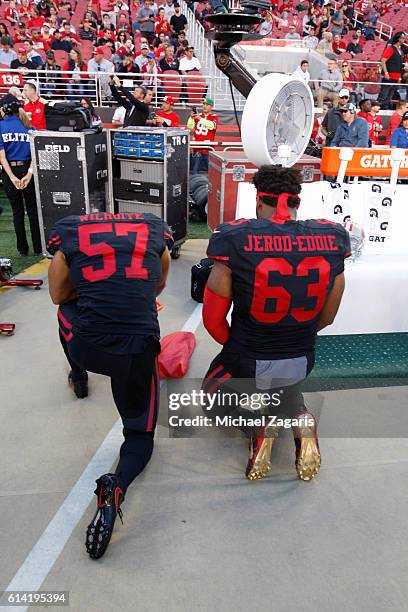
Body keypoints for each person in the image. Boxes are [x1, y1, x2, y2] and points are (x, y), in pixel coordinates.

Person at [201, 165, 350, 481]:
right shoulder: (331, 237)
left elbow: (213, 322)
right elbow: (328, 316)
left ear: (258, 201)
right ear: (297, 202)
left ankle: (258, 422)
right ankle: (299, 416)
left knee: (211, 395)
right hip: (302, 357)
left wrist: (244, 347)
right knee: (284, 381)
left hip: (249, 357)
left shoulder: (235, 238)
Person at [46, 208, 173, 559]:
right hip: (137, 353)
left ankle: (78, 374)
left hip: (89, 347)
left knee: (64, 315)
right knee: (139, 438)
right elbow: (157, 286)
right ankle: (117, 485)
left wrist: (92, 292)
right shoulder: (155, 232)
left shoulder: (70, 231)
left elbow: (57, 294)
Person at [0, 94, 42, 256]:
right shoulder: (29, 127)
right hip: (28, 171)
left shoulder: (1, 127)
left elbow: (2, 157)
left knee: (17, 212)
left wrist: (12, 177)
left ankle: (23, 249)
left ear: (4, 109)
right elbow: (36, 154)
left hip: (10, 172)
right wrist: (29, 174)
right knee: (33, 211)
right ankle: (39, 248)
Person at [188, 97, 218, 174]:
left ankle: (212, 184)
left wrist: (200, 119)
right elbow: (190, 127)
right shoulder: (198, 116)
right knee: (195, 169)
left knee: (212, 170)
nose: (204, 106)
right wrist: (191, 117)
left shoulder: (214, 116)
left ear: (211, 106)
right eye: (203, 104)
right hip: (197, 147)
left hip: (207, 148)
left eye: (207, 104)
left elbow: (212, 126)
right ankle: (195, 184)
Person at [378, 31, 406, 109]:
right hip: (389, 76)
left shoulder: (401, 51)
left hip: (396, 77)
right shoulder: (391, 48)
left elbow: (399, 65)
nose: (404, 39)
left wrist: (399, 77)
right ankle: (379, 109)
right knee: (384, 95)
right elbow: (383, 60)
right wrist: (386, 73)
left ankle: (385, 108)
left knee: (390, 95)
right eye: (403, 38)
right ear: (398, 38)